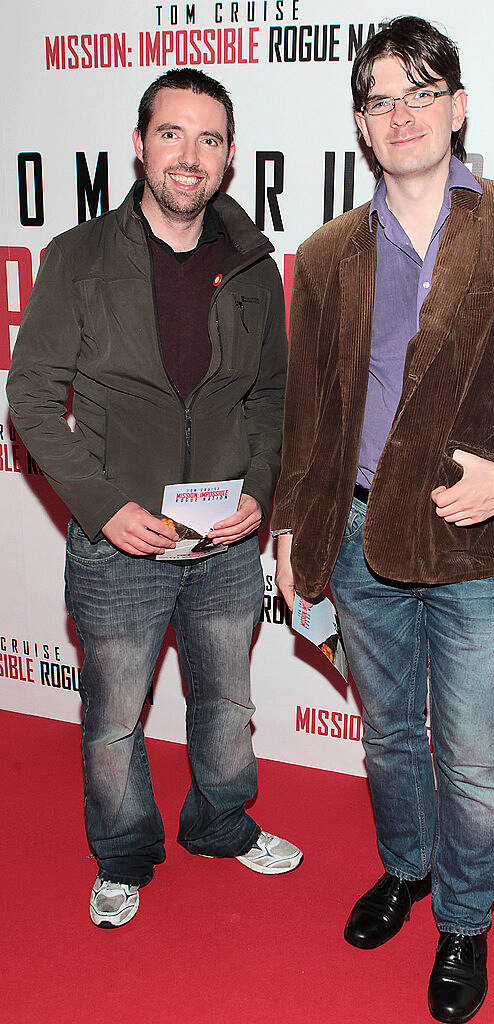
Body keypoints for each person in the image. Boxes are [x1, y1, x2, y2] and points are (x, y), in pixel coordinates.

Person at [272, 16, 494, 1022]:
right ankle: (406, 869)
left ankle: (464, 922)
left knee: (467, 751)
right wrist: (293, 528)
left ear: (458, 107)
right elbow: (311, 413)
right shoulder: (329, 250)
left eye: (420, 91)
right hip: (359, 538)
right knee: (386, 739)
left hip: (474, 541)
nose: (402, 112)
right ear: (362, 127)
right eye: (380, 98)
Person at [7, 68, 301, 929]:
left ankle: (221, 822)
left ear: (230, 159)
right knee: (111, 722)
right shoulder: (79, 257)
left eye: (209, 140)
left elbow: (271, 396)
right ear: (139, 145)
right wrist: (101, 506)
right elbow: (31, 398)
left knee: (228, 701)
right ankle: (125, 853)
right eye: (172, 134)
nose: (190, 156)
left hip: (221, 541)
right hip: (118, 544)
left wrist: (258, 489)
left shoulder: (253, 265)